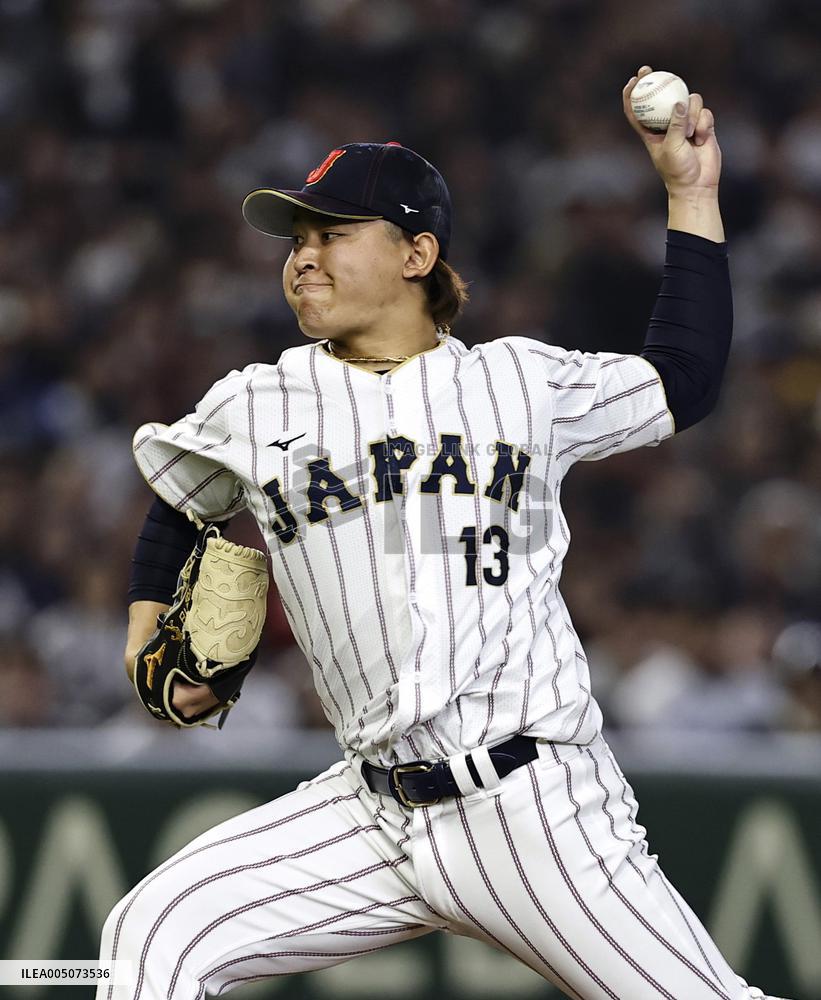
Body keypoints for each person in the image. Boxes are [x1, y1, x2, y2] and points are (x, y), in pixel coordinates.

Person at [98, 67, 787, 1000]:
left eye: (333, 233)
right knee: (153, 935)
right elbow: (178, 502)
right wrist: (148, 641)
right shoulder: (254, 403)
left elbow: (685, 376)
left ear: (417, 254)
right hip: (367, 810)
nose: (302, 257)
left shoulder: (521, 383)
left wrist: (688, 193)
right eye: (296, 239)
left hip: (530, 804)